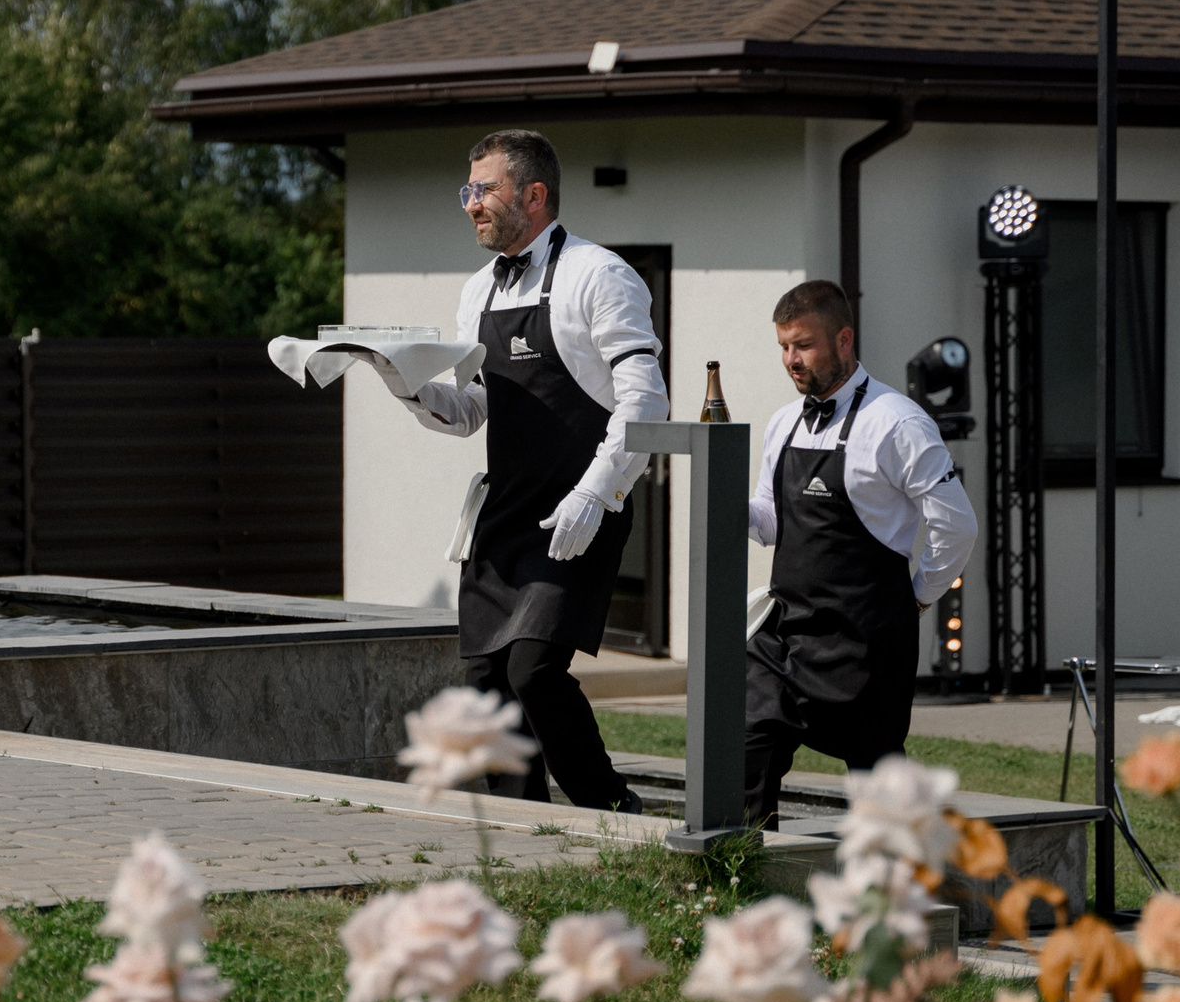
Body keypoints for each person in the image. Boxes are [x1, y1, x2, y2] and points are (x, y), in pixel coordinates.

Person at [369, 129, 669, 811]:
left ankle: (610, 807)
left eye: (484, 189)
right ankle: (520, 821)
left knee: (534, 668)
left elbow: (645, 400)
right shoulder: (477, 291)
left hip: (578, 514)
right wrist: (405, 384)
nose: (471, 204)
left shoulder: (600, 275)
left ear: (533, 196)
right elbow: (475, 408)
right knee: (487, 682)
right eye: (466, 190)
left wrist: (596, 494)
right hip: (505, 514)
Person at [743, 279, 977, 826]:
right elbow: (771, 519)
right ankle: (742, 870)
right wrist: (721, 503)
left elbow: (957, 526)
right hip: (788, 630)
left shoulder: (898, 422)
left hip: (865, 640)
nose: (790, 361)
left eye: (803, 345)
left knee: (876, 783)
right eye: (782, 347)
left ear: (844, 340)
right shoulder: (784, 422)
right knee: (748, 737)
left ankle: (894, 893)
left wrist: (919, 598)